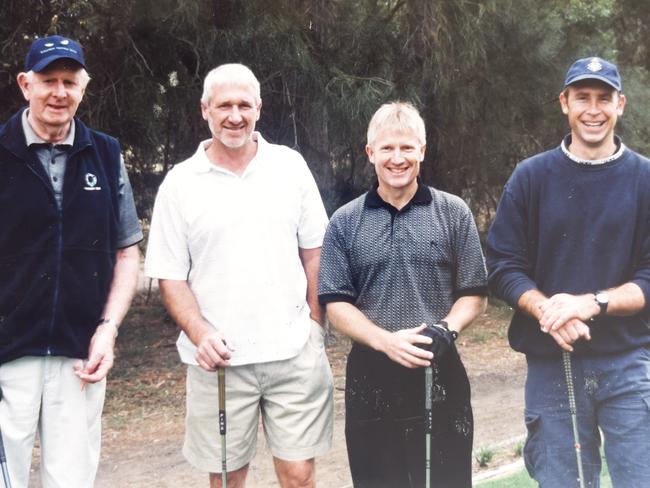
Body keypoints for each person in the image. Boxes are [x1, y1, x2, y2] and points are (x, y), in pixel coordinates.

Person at [145, 63, 333, 488]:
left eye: (244, 104)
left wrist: (315, 327)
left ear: (259, 109)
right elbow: (171, 277)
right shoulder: (180, 184)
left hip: (292, 353)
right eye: (224, 105)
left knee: (300, 476)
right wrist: (201, 335)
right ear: (205, 110)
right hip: (220, 362)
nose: (235, 115)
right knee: (228, 479)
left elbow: (316, 254)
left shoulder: (290, 166)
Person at [487, 57, 650, 487]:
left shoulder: (645, 179)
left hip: (628, 365)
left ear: (621, 105)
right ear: (564, 103)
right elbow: (503, 266)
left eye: (604, 99)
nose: (593, 110)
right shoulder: (530, 177)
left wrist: (590, 304)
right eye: (582, 98)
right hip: (551, 365)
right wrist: (546, 311)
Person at [318, 101, 487, 488]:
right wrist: (385, 342)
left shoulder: (453, 212)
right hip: (371, 375)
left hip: (439, 367)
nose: (398, 158)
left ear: (422, 152)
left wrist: (447, 328)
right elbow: (336, 303)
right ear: (370, 153)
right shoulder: (345, 222)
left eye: (408, 148)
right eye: (388, 148)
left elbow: (474, 293)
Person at [0, 35, 142, 487]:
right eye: (48, 81)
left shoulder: (106, 152)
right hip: (7, 352)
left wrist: (108, 329)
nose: (59, 92)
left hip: (81, 351)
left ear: (84, 87)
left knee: (72, 479)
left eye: (69, 81)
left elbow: (126, 252)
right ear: (25, 84)